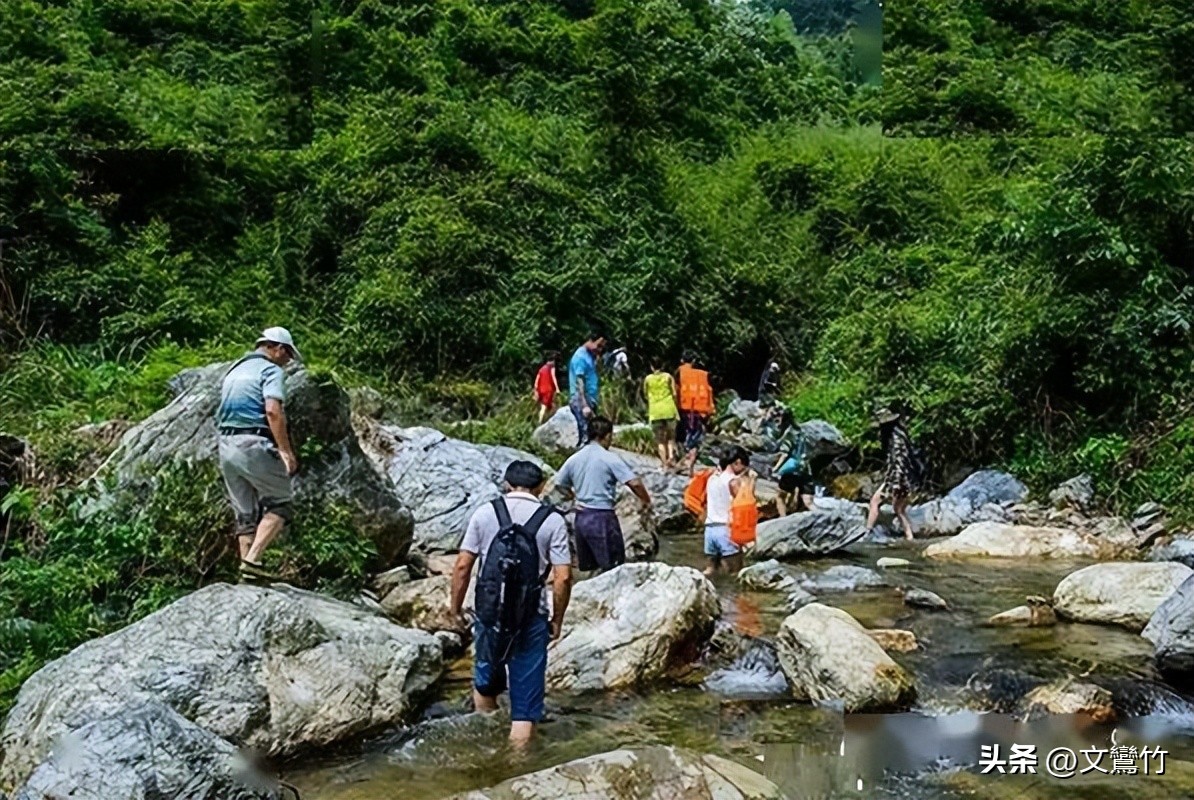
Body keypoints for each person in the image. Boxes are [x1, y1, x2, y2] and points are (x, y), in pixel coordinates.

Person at [449, 461, 572, 746]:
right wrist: (557, 619)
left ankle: (484, 744)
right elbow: (563, 577)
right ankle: (518, 768)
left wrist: (454, 610)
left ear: (506, 484)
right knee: (525, 708)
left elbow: (462, 566)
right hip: (531, 615)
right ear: (541, 488)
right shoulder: (552, 520)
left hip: (490, 612)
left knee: (486, 679)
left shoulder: (485, 512)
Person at [216, 327, 302, 582]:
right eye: (287, 354)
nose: (288, 361)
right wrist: (286, 451)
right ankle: (253, 561)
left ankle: (247, 576)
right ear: (276, 348)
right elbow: (273, 411)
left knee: (245, 512)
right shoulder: (270, 370)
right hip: (252, 442)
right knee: (282, 503)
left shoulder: (235, 369)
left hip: (226, 444)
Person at [553, 416, 651, 573]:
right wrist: (646, 500)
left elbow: (560, 484)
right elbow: (635, 483)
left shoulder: (574, 458)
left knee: (589, 568)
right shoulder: (609, 458)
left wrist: (572, 496)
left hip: (581, 518)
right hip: (602, 518)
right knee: (612, 567)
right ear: (606, 436)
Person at [865, 407, 916, 540]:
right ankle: (910, 536)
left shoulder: (896, 440)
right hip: (905, 478)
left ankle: (866, 532)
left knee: (875, 502)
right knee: (899, 510)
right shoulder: (900, 435)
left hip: (898, 479)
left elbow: (899, 462)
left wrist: (895, 484)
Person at [703, 446, 752, 577]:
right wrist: (751, 481)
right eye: (744, 466)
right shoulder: (733, 481)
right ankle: (732, 597)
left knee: (710, 571)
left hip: (710, 530)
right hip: (726, 530)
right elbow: (747, 504)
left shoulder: (712, 479)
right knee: (735, 574)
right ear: (738, 462)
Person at [676, 353, 715, 476]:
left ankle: (684, 463)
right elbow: (709, 392)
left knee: (683, 438)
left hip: (685, 410)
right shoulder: (704, 375)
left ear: (682, 360)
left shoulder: (679, 372)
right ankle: (690, 467)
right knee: (695, 441)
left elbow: (675, 390)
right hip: (701, 412)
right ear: (693, 361)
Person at [568, 331, 605, 447]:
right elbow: (580, 381)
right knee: (586, 434)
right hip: (582, 399)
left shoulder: (589, 356)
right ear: (590, 340)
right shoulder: (580, 357)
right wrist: (584, 404)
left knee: (592, 433)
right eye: (598, 346)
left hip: (590, 398)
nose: (599, 349)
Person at [642, 358, 680, 469]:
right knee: (671, 438)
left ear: (651, 366)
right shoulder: (668, 377)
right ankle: (671, 458)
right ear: (662, 365)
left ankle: (664, 464)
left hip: (655, 412)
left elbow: (645, 393)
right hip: (669, 409)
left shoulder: (648, 379)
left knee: (660, 440)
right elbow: (674, 393)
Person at [773, 419, 814, 516]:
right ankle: (823, 518)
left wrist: (776, 468)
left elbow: (784, 454)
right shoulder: (804, 434)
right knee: (808, 502)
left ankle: (783, 520)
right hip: (805, 470)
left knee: (780, 496)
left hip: (791, 470)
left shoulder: (790, 434)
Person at [533, 352, 561, 425]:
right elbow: (553, 377)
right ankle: (540, 422)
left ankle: (544, 420)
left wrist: (536, 389)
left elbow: (537, 379)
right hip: (548, 390)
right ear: (553, 361)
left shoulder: (542, 369)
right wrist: (557, 388)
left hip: (541, 390)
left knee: (549, 406)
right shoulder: (551, 368)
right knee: (544, 407)